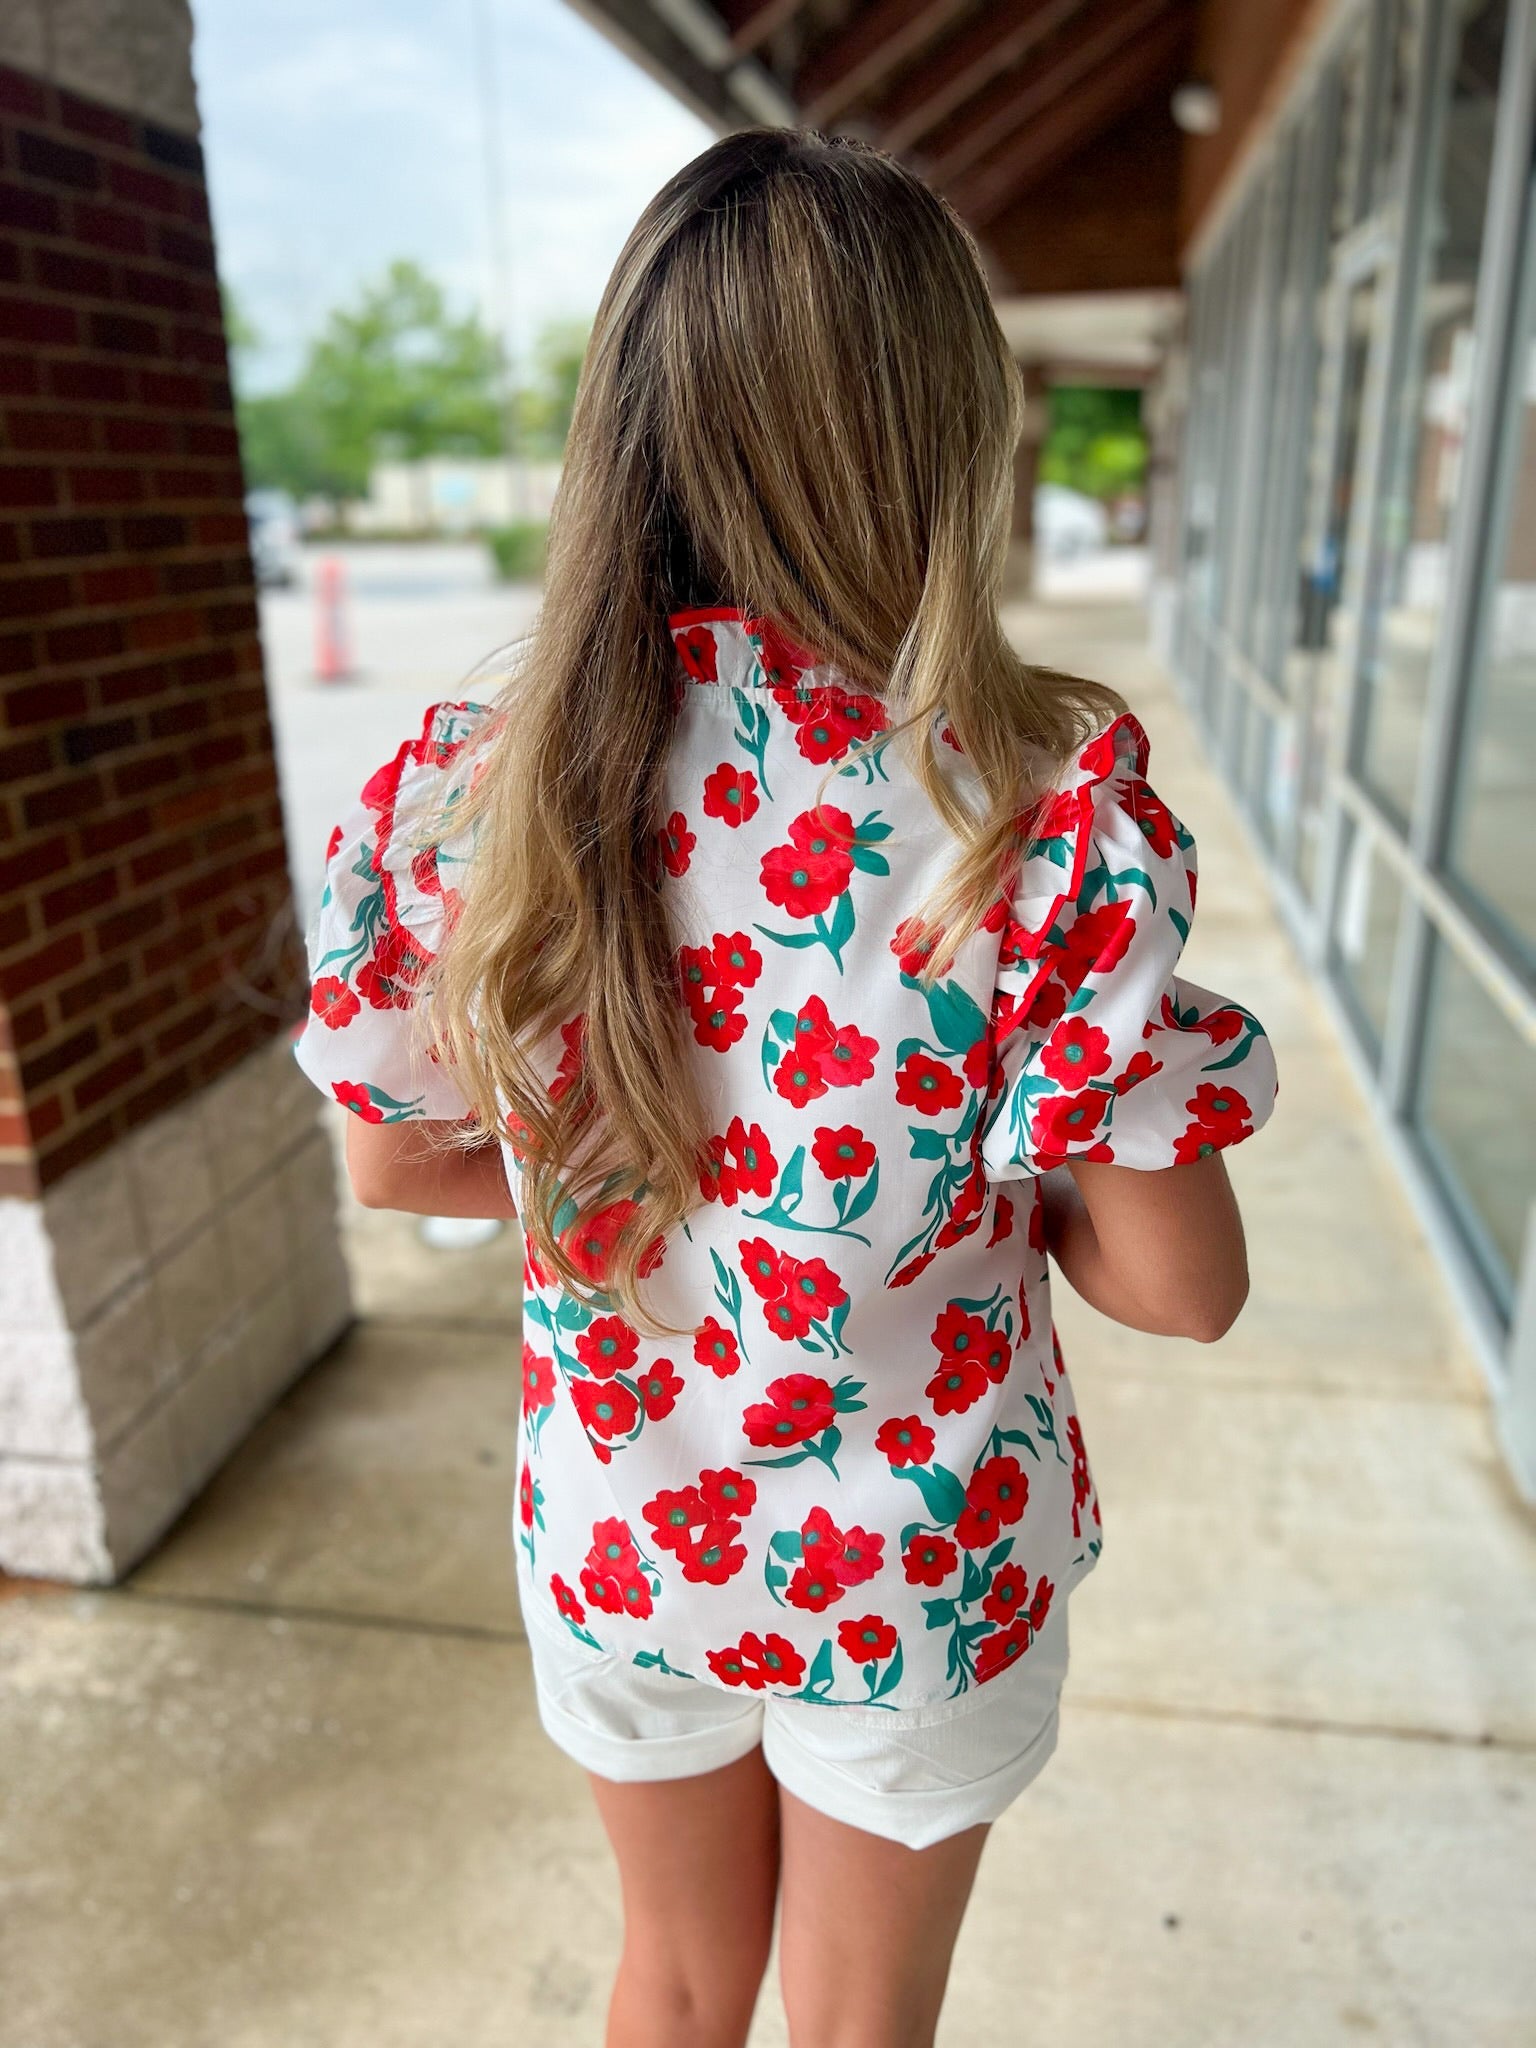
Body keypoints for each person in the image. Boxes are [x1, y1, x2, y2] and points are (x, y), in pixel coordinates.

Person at [293, 128, 1277, 2048]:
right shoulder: (1029, 817)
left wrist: (649, 1179)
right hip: (916, 1573)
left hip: (618, 1532)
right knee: (852, 2026)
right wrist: (962, 1178)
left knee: (668, 1981)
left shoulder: (479, 792)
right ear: (941, 438)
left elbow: (391, 1162)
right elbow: (1186, 1285)